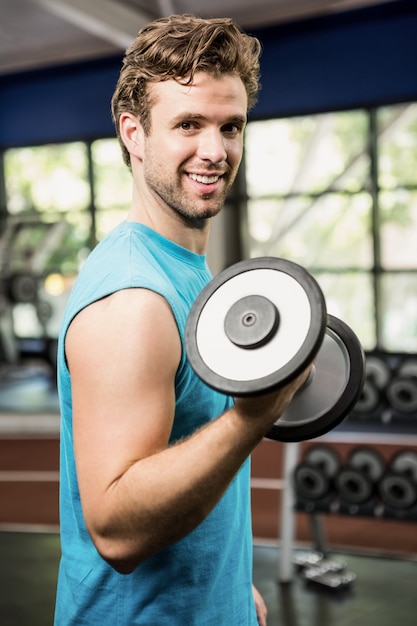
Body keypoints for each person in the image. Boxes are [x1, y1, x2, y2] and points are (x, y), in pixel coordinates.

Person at [54, 14, 310, 626]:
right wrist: (256, 415)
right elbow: (117, 531)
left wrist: (226, 586)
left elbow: (184, 461)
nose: (215, 151)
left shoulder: (190, 273)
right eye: (188, 125)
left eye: (230, 126)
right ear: (134, 134)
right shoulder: (134, 300)